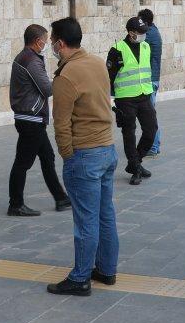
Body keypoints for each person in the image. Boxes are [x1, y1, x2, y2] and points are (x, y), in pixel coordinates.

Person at [47, 16, 118, 296]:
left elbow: (61, 123)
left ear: (61, 43)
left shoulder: (66, 76)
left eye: (53, 41)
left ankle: (80, 278)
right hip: (107, 149)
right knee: (105, 215)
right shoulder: (97, 63)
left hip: (84, 154)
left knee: (85, 220)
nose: (52, 46)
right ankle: (107, 269)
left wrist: (67, 155)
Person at [7, 24, 70, 216]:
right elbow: (47, 89)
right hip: (30, 118)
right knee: (22, 163)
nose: (47, 43)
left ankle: (61, 198)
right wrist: (61, 76)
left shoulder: (25, 57)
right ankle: (15, 204)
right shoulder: (30, 60)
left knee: (47, 157)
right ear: (37, 41)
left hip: (31, 118)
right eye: (45, 39)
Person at [107, 16, 158, 184]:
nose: (143, 35)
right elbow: (109, 77)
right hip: (125, 98)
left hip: (144, 96)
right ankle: (135, 168)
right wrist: (109, 99)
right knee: (129, 134)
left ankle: (134, 162)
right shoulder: (117, 49)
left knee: (151, 131)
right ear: (131, 33)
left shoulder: (146, 46)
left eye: (145, 32)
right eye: (140, 32)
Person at [138, 8, 163, 158]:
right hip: (153, 78)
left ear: (145, 22)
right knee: (150, 114)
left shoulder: (149, 35)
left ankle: (153, 146)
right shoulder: (154, 31)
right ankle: (155, 145)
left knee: (149, 115)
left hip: (150, 80)